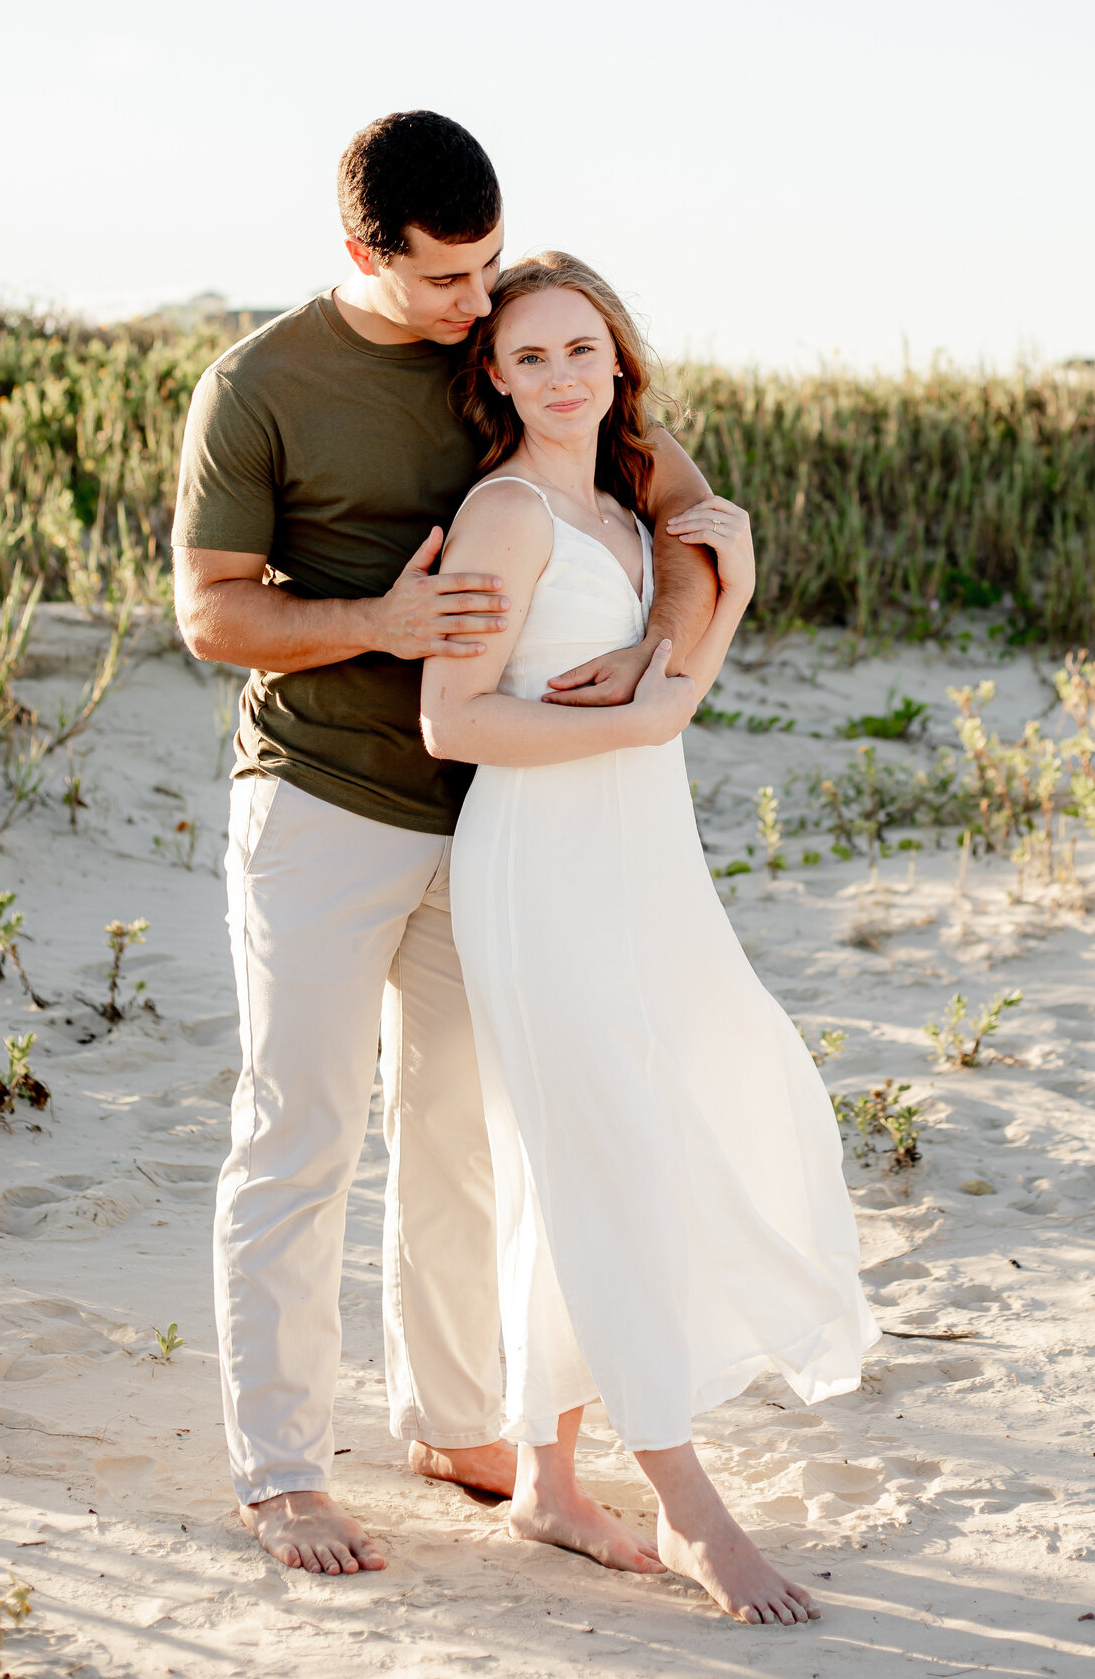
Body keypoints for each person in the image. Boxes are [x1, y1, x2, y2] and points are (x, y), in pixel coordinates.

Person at [171, 113, 721, 1575]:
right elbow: (212, 611)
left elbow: (687, 510)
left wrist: (659, 644)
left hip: (496, 825)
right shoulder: (261, 384)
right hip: (322, 803)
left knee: (463, 1134)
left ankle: (455, 1420)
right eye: (444, 282)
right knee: (301, 1130)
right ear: (364, 252)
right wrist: (376, 624)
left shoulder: (517, 344)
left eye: (488, 269)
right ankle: (284, 1469)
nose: (477, 307)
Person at [420, 251, 877, 1628]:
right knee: (599, 1151)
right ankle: (689, 1509)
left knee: (651, 1118)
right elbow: (454, 720)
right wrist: (626, 720)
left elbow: (673, 696)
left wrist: (717, 604)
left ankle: (552, 1476)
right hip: (541, 864)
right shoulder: (503, 514)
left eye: (582, 350)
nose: (562, 376)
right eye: (532, 356)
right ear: (494, 379)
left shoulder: (623, 507)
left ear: (620, 361)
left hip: (641, 856)